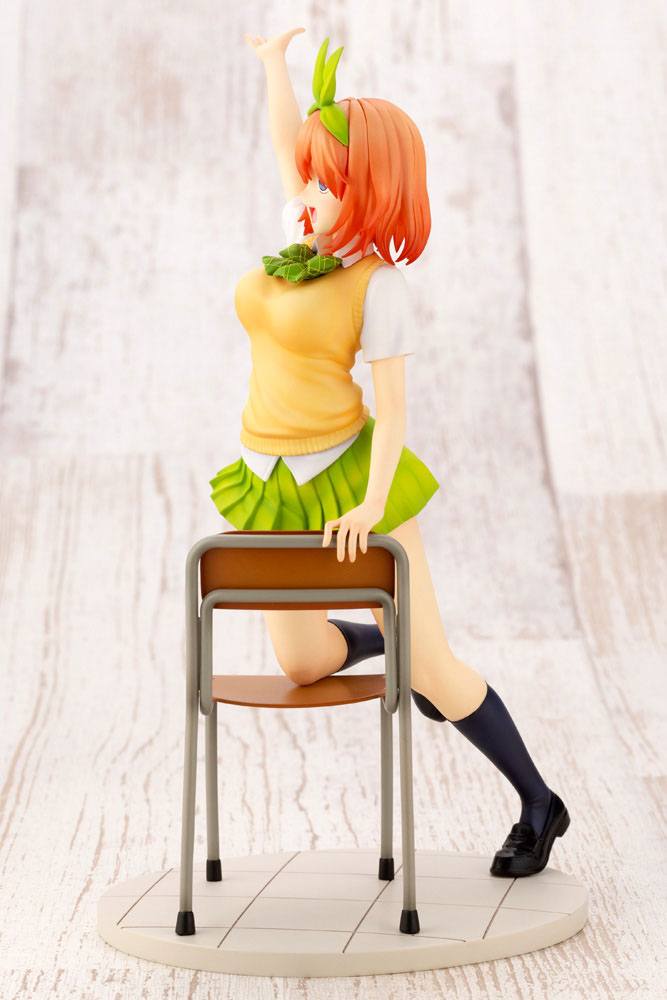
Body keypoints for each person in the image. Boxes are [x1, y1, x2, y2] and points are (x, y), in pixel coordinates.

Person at [209, 28, 570, 877]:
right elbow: (287, 146)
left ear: (366, 191)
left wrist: (371, 504)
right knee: (301, 662)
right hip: (268, 481)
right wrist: (273, 67)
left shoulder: (377, 286)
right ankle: (379, 642)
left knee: (429, 662)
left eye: (326, 182)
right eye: (306, 178)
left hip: (348, 476)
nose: (305, 192)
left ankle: (538, 801)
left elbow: (395, 412)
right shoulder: (301, 240)